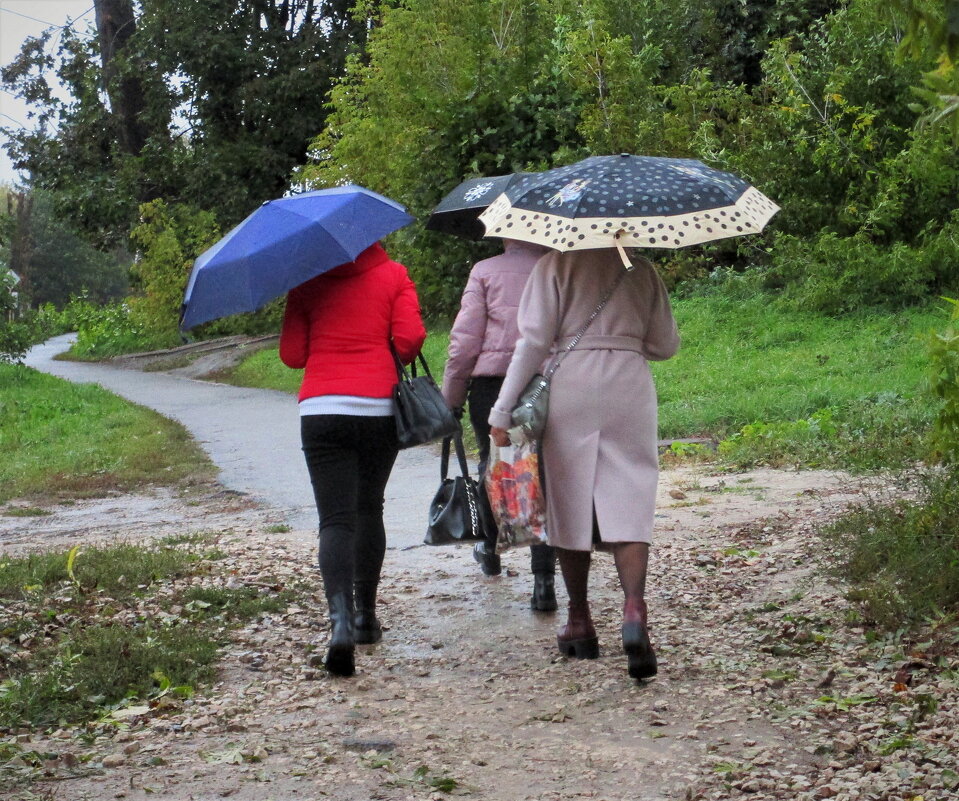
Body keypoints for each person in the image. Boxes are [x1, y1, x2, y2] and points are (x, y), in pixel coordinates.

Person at [488, 247, 679, 680]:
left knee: (568, 495)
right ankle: (634, 611)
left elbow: (534, 341)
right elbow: (665, 345)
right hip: (629, 383)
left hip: (570, 382)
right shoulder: (640, 267)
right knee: (631, 494)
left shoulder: (554, 265)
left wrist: (502, 411)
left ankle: (579, 619)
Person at [279, 242, 426, 677]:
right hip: (377, 409)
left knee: (335, 520)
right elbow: (411, 340)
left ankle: (338, 622)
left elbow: (293, 356)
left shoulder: (305, 283)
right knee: (369, 507)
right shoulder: (394, 275)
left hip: (321, 410)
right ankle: (365, 616)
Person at [441, 239, 558, 612]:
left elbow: (463, 344)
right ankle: (543, 582)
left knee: (494, 467)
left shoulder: (485, 272)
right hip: (545, 383)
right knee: (543, 473)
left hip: (491, 386)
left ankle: (489, 549)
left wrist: (452, 398)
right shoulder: (559, 268)